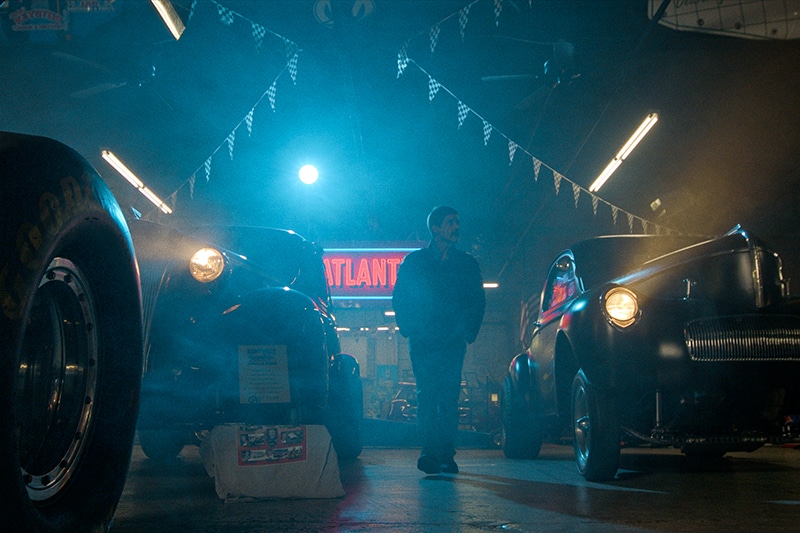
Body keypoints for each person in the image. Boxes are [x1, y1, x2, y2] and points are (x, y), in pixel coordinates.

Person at [392, 206, 485, 474]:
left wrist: (469, 331)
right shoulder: (415, 262)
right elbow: (401, 297)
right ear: (435, 228)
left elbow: (478, 300)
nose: (457, 227)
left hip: (452, 340)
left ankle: (446, 454)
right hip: (424, 340)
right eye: (450, 222)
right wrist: (409, 328)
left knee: (448, 399)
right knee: (427, 397)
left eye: (457, 222)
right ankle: (430, 453)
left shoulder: (467, 263)